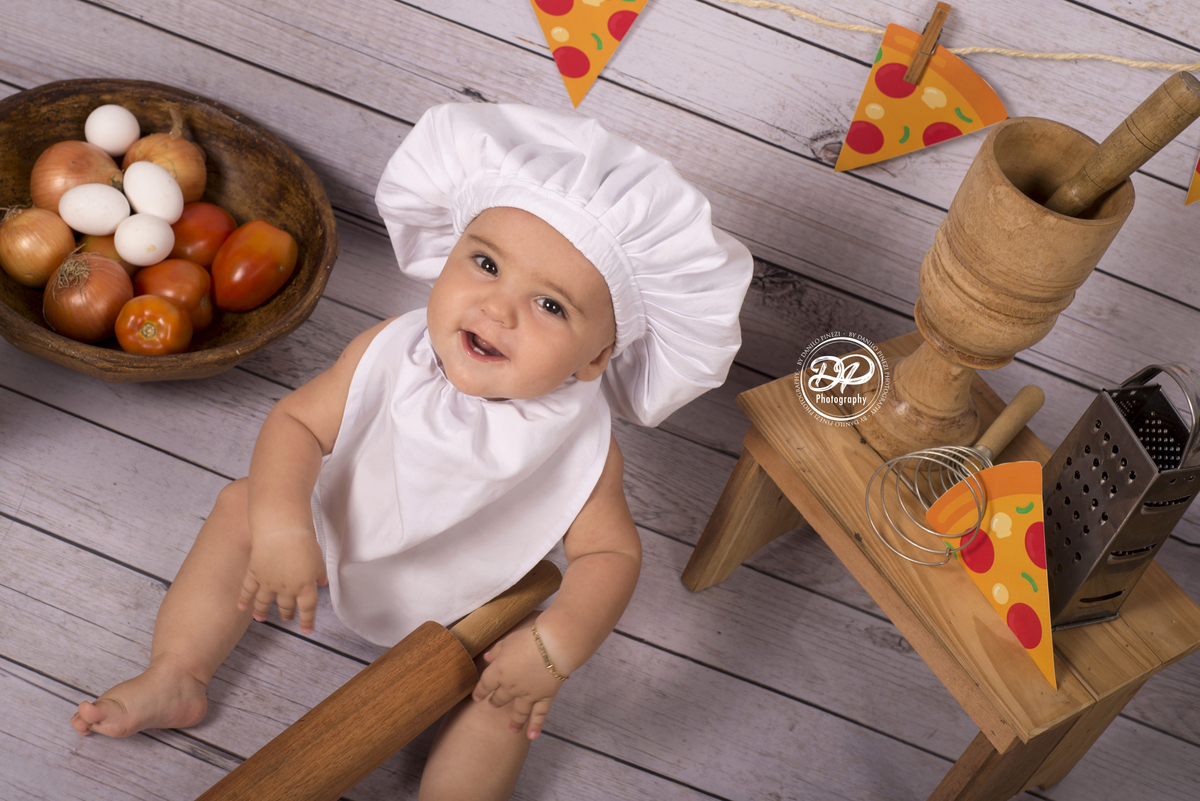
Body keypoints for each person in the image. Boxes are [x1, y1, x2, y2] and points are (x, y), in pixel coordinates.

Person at [70, 103, 753, 800]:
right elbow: (297, 426)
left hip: (472, 602)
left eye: (551, 306)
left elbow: (610, 556)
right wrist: (282, 525)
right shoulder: (393, 351)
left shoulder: (580, 442)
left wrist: (553, 651)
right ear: (450, 251)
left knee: (507, 699)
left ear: (596, 357)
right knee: (240, 505)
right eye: (484, 263)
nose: (497, 308)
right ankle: (178, 673)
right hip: (336, 527)